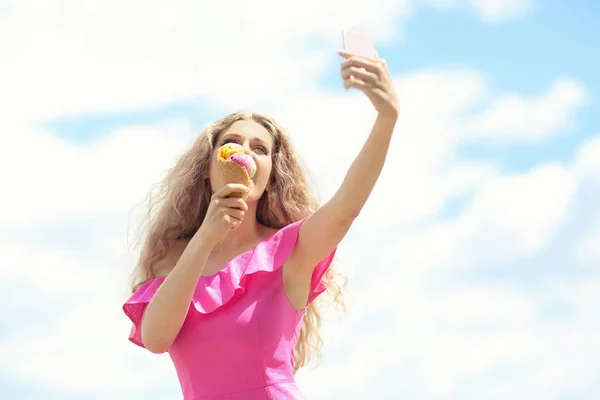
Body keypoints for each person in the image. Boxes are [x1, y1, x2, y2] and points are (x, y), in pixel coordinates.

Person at [122, 49, 399, 399]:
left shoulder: (290, 250)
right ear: (207, 170)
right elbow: (157, 338)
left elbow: (345, 208)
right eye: (232, 143)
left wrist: (386, 118)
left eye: (260, 148)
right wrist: (206, 237)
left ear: (269, 178)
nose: (245, 152)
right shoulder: (173, 256)